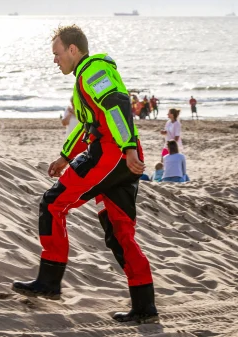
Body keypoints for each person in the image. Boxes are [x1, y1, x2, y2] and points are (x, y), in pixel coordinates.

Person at [11, 25, 159, 324]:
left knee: (52, 204)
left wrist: (128, 147)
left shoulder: (93, 72)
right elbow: (88, 124)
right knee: (120, 234)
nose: (55, 60)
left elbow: (118, 106)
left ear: (73, 50)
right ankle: (144, 306)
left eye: (57, 54)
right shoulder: (86, 76)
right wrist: (66, 155)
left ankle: (50, 281)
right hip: (120, 154)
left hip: (111, 154)